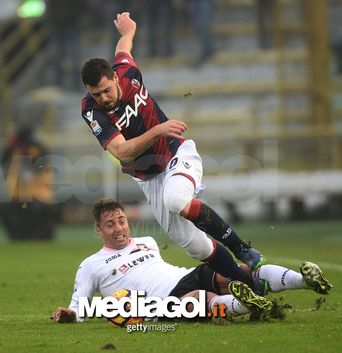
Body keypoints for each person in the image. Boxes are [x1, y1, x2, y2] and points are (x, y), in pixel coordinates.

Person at [80, 12, 265, 295]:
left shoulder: (127, 71)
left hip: (177, 152)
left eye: (106, 90)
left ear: (115, 78)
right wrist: (157, 130)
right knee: (195, 246)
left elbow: (123, 48)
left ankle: (243, 249)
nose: (103, 98)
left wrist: (127, 30)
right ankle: (250, 285)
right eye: (96, 94)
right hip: (148, 177)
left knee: (176, 198)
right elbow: (121, 150)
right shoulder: (92, 111)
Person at [52, 199, 333, 323]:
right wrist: (69, 314)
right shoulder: (91, 264)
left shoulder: (146, 243)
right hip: (159, 305)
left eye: (122, 220)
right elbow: (79, 308)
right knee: (200, 297)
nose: (119, 228)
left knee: (238, 270)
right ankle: (245, 303)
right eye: (110, 224)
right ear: (98, 230)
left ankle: (304, 281)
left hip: (184, 276)